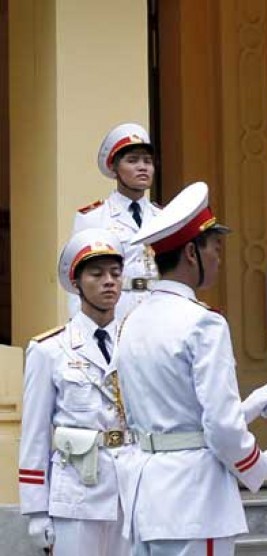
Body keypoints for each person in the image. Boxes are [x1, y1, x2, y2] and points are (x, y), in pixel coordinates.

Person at [116, 181, 267, 556]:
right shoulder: (204, 323)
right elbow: (221, 428)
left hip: (146, 495)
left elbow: (166, 411)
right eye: (215, 247)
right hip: (195, 497)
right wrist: (260, 466)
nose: (219, 257)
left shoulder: (132, 320)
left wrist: (244, 409)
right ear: (190, 253)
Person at [18, 228, 132, 555]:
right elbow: (35, 434)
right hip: (77, 494)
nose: (109, 281)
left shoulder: (136, 342)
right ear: (78, 283)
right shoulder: (49, 349)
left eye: (115, 273)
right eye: (97, 274)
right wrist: (37, 510)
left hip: (130, 488)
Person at [71, 122, 161, 320]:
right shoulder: (93, 217)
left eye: (147, 161)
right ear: (114, 167)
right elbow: (79, 279)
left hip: (157, 309)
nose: (142, 167)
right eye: (132, 161)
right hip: (117, 310)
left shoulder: (163, 217)